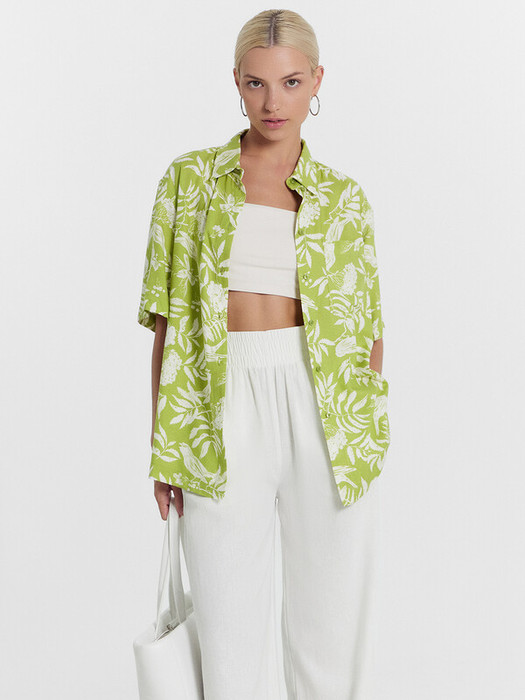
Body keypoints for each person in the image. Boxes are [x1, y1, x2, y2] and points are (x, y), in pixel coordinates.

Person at [138, 9, 390, 699]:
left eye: (290, 82)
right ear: (236, 83)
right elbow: (167, 327)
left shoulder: (344, 200)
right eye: (256, 83)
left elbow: (367, 331)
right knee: (228, 640)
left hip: (327, 411)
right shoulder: (188, 181)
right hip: (218, 404)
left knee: (328, 638)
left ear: (317, 82)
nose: (272, 101)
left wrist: (365, 431)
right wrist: (165, 444)